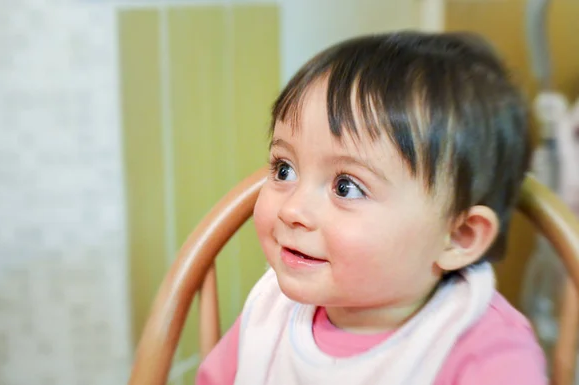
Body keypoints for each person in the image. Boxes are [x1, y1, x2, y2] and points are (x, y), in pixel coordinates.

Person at [196, 31, 547, 385]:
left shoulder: (486, 356)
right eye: (284, 169)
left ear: (458, 236)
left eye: (346, 187)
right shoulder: (271, 313)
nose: (292, 210)